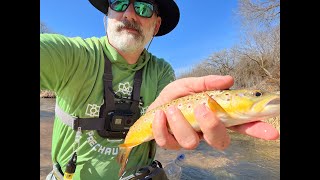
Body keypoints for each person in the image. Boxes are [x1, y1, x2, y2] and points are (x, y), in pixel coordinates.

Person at [40, 0, 279, 179]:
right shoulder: (70, 55)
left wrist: (177, 131)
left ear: (156, 25)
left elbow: (171, 127)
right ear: (107, 15)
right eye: (120, 2)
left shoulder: (162, 71)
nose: (130, 13)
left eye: (143, 7)